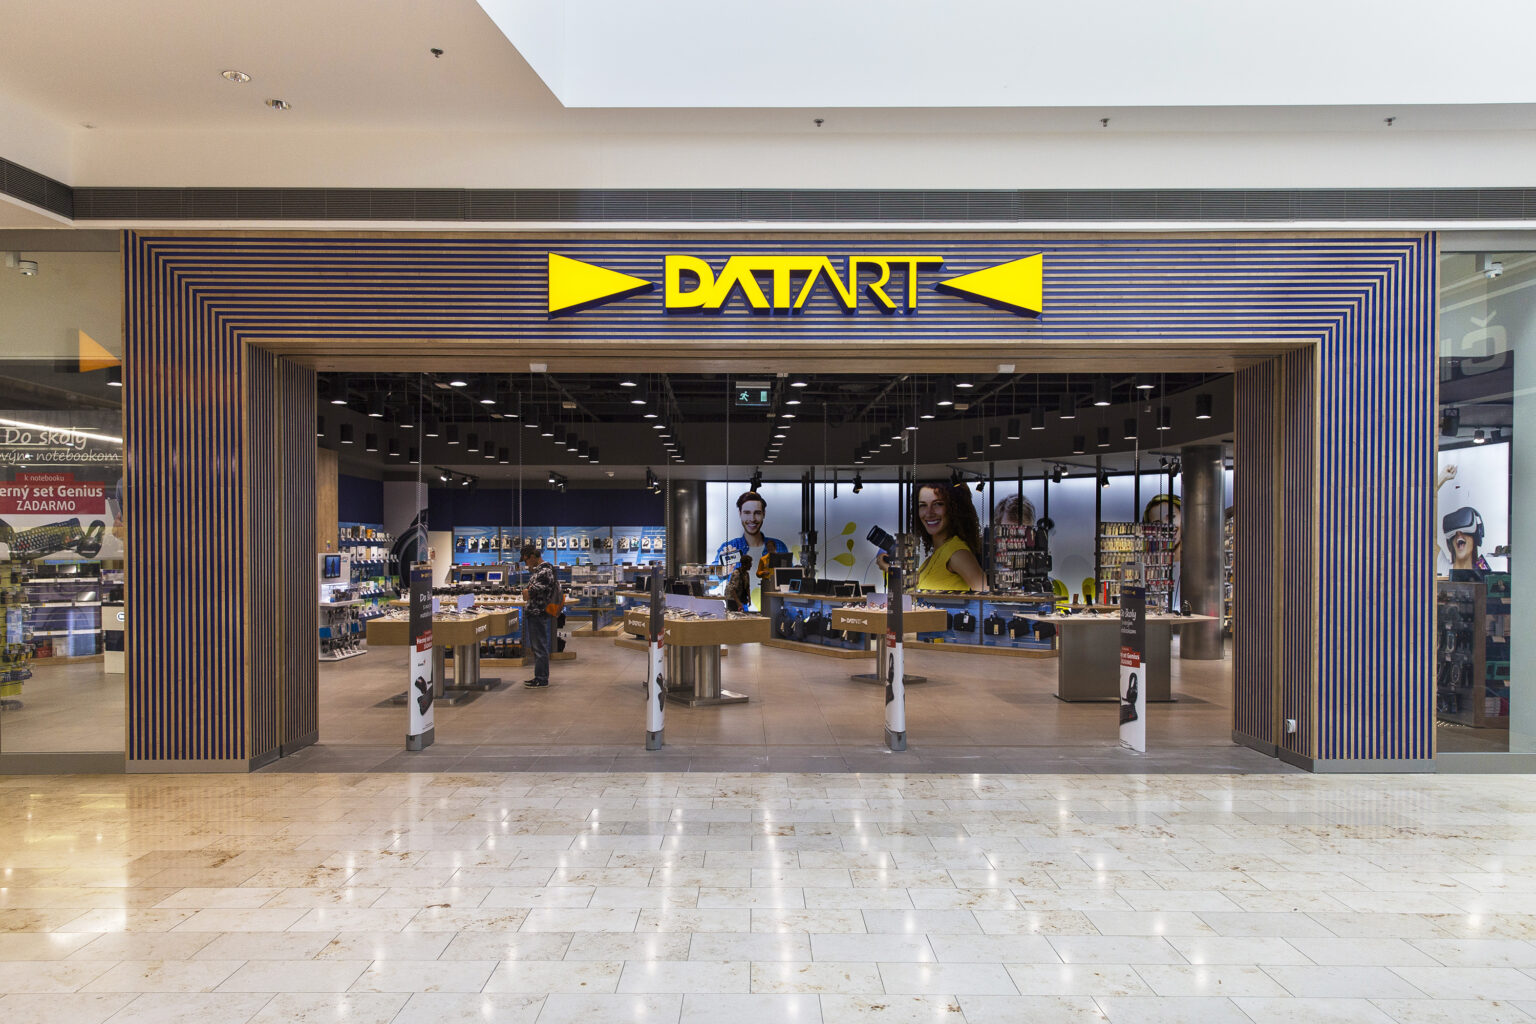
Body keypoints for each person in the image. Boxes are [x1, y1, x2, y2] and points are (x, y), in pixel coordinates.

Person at [913, 480, 988, 592]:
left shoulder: (957, 553)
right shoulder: (934, 557)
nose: (929, 513)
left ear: (954, 508)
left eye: (938, 504)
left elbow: (987, 596)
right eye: (923, 505)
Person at [714, 490, 788, 566]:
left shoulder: (779, 546)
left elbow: (790, 572)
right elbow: (712, 572)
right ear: (740, 514)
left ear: (764, 514)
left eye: (757, 513)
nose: (752, 519)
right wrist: (722, 568)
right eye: (747, 513)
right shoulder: (728, 548)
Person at [520, 543, 558, 688]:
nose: (526, 564)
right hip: (534, 612)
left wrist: (527, 591)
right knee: (537, 646)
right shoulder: (540, 571)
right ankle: (539, 676)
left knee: (539, 646)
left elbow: (529, 593)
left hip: (538, 612)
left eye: (526, 560)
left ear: (533, 556)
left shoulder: (545, 571)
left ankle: (541, 678)